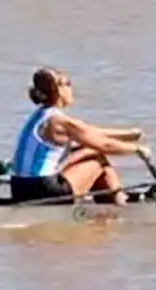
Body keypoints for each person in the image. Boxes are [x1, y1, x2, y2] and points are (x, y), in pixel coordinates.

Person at [10, 67, 148, 206]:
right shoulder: (59, 121)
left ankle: (111, 200)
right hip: (44, 190)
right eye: (68, 83)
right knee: (98, 160)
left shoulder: (40, 115)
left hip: (18, 188)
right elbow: (104, 145)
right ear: (57, 90)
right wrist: (137, 149)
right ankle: (120, 204)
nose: (71, 88)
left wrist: (129, 134)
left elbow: (91, 132)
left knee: (88, 151)